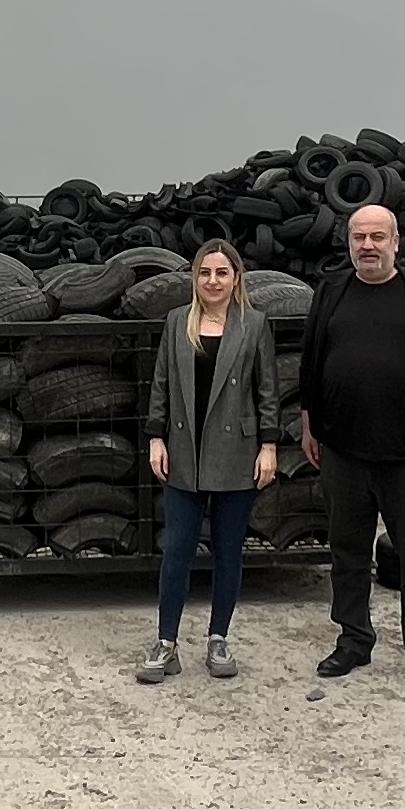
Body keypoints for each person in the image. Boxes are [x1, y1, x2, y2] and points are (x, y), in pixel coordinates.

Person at [293, 199, 405, 683]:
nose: (368, 246)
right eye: (359, 237)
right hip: (343, 452)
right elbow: (310, 362)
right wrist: (308, 424)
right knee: (347, 554)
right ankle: (353, 640)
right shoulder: (331, 293)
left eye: (377, 237)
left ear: (396, 243)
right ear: (349, 243)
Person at [137, 238, 281, 684]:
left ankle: (219, 638)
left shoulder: (254, 324)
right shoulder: (177, 321)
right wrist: (155, 437)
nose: (213, 281)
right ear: (194, 278)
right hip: (184, 450)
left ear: (236, 278)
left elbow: (267, 391)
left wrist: (269, 446)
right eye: (204, 272)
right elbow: (161, 383)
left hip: (237, 452)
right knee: (177, 549)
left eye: (221, 273)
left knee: (228, 550)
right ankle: (166, 642)